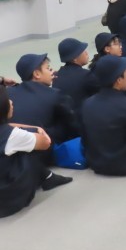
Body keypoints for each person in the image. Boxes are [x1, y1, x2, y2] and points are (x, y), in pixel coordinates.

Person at [0, 86, 72, 218]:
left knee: (24, 142)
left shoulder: (7, 133)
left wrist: (33, 128)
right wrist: (37, 130)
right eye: (7, 100)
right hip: (7, 202)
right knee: (30, 149)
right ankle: (47, 177)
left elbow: (9, 127)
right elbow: (45, 143)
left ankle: (47, 176)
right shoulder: (11, 136)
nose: (11, 102)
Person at [8, 54, 78, 146]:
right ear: (37, 74)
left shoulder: (8, 93)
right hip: (45, 148)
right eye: (48, 68)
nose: (52, 71)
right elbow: (73, 127)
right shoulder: (55, 95)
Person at [53, 38, 99, 112]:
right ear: (74, 58)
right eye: (82, 51)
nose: (86, 53)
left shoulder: (56, 76)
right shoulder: (86, 75)